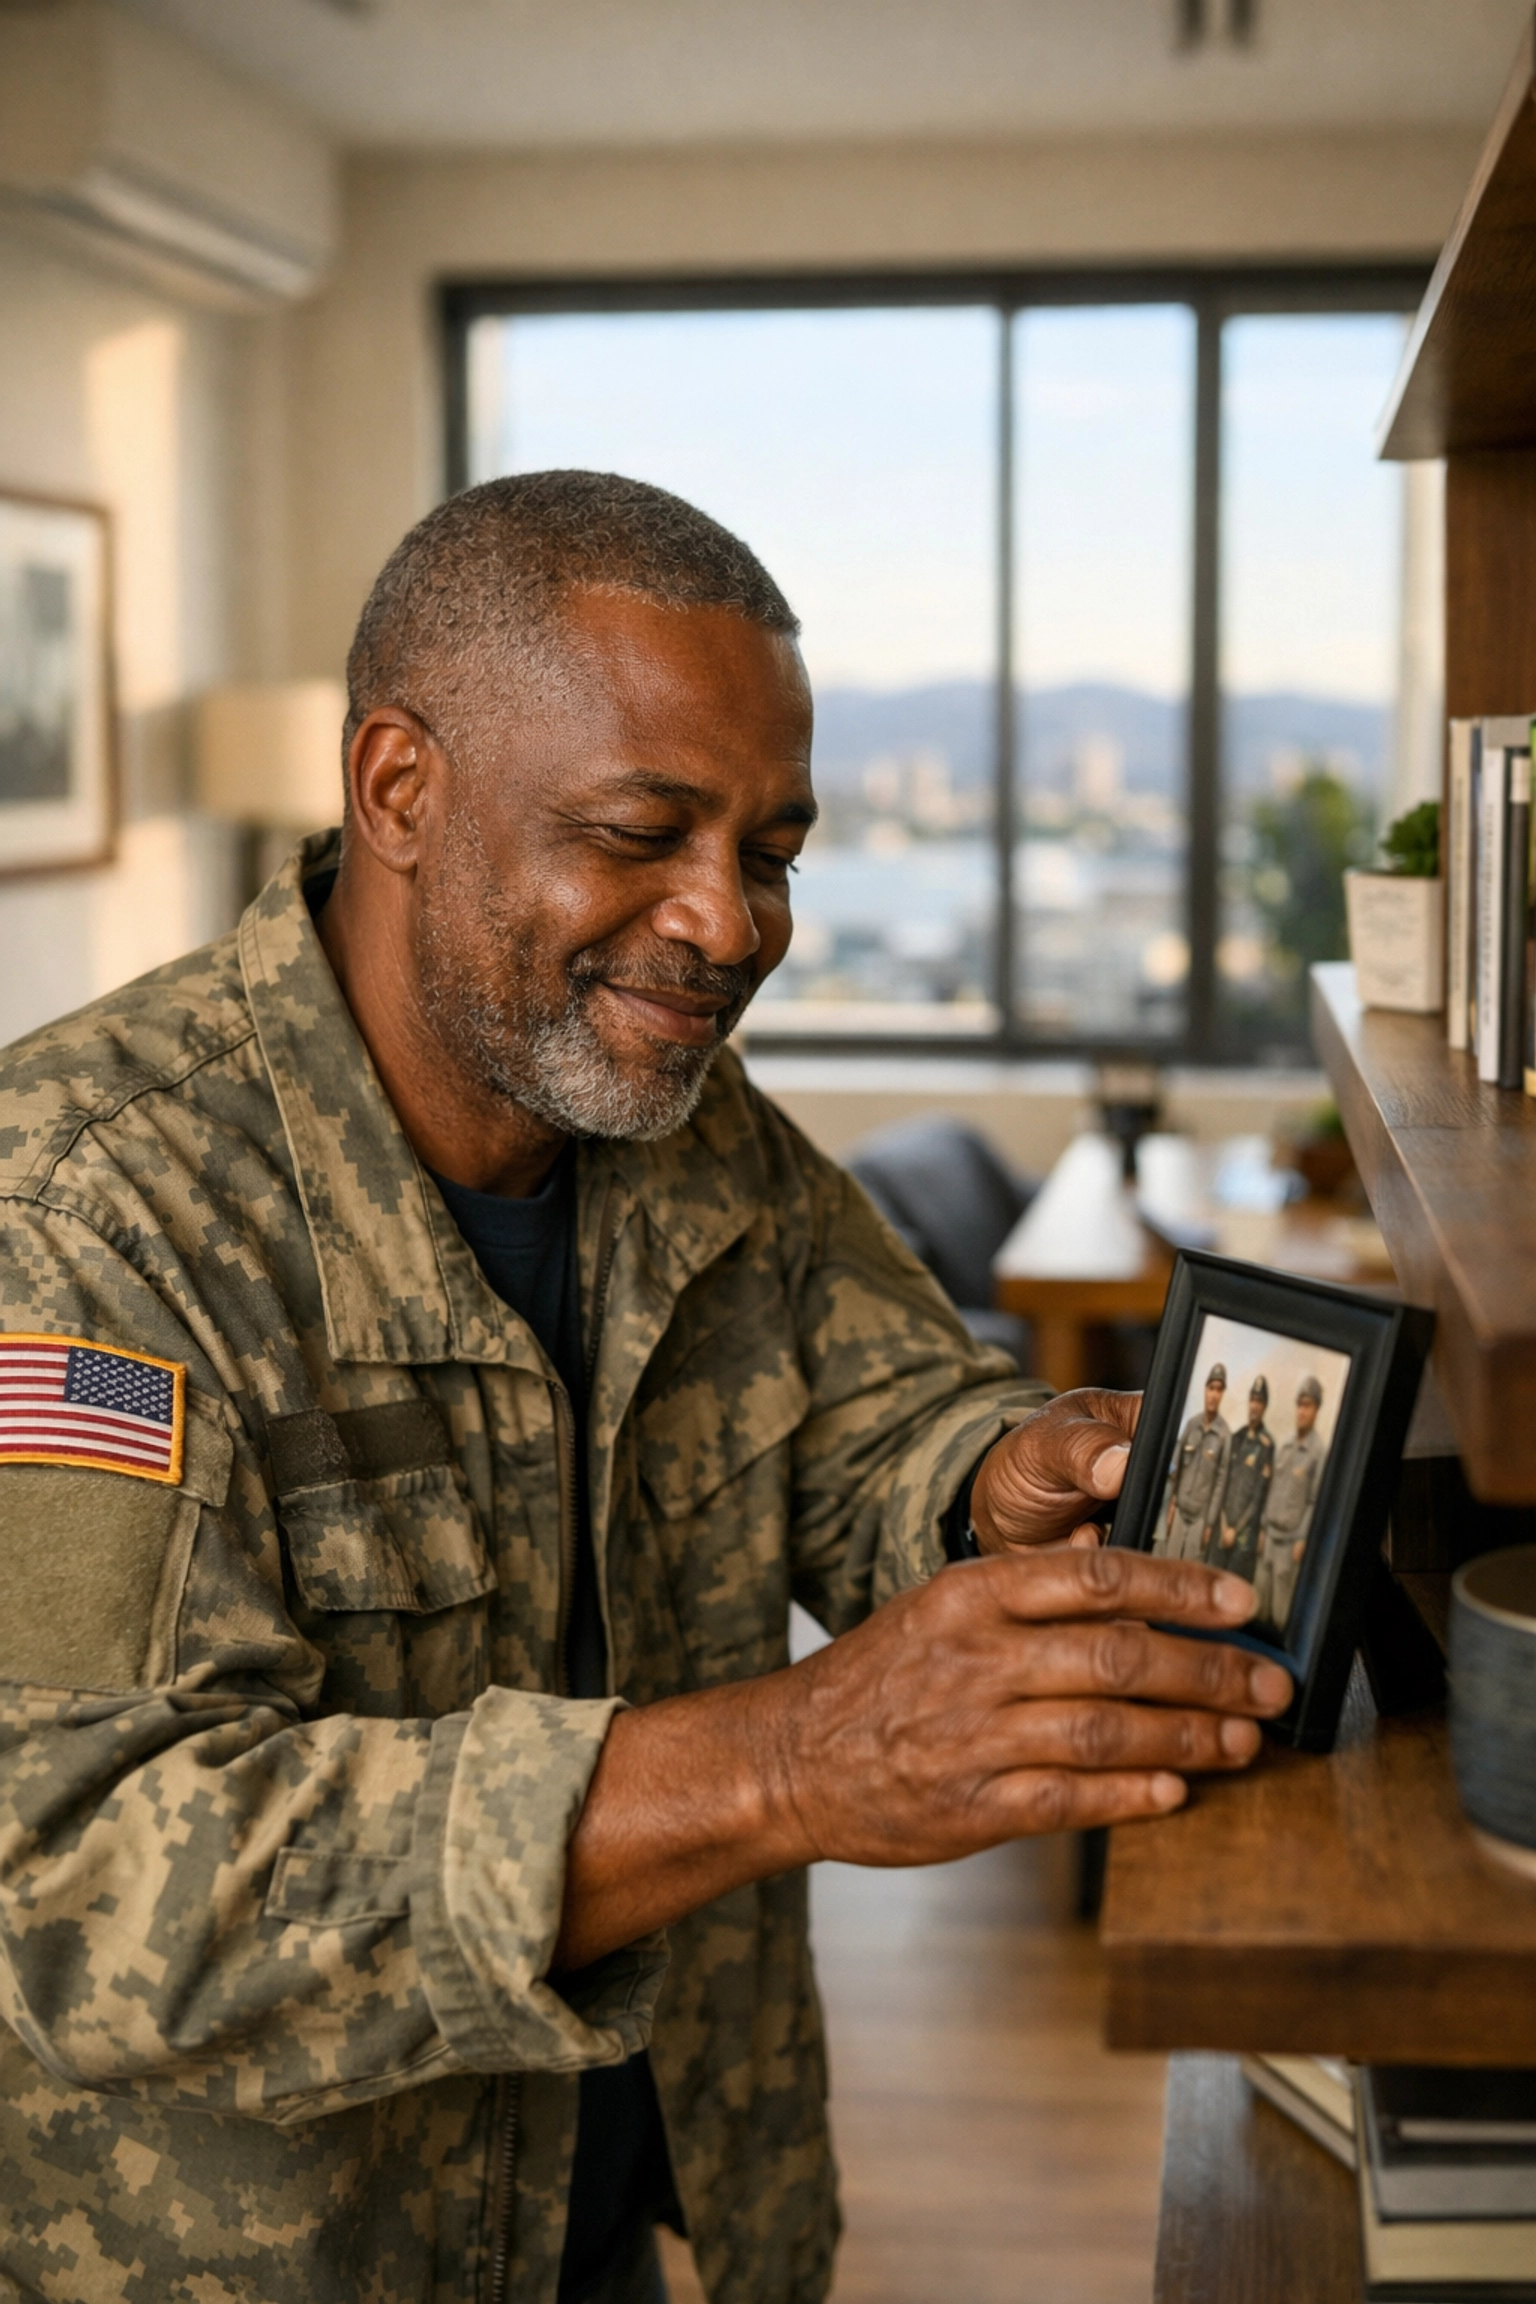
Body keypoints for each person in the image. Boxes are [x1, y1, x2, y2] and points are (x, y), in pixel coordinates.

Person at [0, 472, 1289, 2304]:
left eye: (769, 848)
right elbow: (92, 1885)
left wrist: (1000, 1471)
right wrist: (785, 1756)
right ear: (398, 789)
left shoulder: (680, 1123)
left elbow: (875, 1416)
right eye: (640, 830)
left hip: (641, 2220)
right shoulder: (75, 1216)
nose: (731, 922)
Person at [1254, 1375, 1329, 1632]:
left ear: (1316, 1409)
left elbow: (1313, 1501)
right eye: (1299, 1405)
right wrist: (1262, 1528)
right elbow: (1271, 1488)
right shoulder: (1285, 1444)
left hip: (1289, 1544)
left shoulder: (1317, 1452)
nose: (1302, 1411)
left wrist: (1301, 1538)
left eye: (1307, 1406)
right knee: (1258, 1605)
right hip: (1270, 1537)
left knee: (1280, 1613)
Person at [1159, 1363, 1232, 1562]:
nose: (1214, 1395)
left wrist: (1209, 1524)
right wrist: (1171, 1503)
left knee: (1190, 1572)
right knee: (1168, 1565)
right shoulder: (1191, 1425)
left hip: (1200, 1519)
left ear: (1222, 1394)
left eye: (1219, 1390)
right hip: (1180, 1511)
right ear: (1205, 1390)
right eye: (1211, 1388)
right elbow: (1176, 1466)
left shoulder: (1224, 1435)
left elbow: (1220, 1484)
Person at [1211, 1376, 1274, 1582]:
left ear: (1264, 1407)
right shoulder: (1236, 1438)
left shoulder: (1267, 1446)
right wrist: (1223, 1525)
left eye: (1260, 1402)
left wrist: (1234, 1530)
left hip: (1244, 1537)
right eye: (1252, 1400)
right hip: (1222, 1529)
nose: (1255, 1406)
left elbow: (1259, 1496)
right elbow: (1222, 1483)